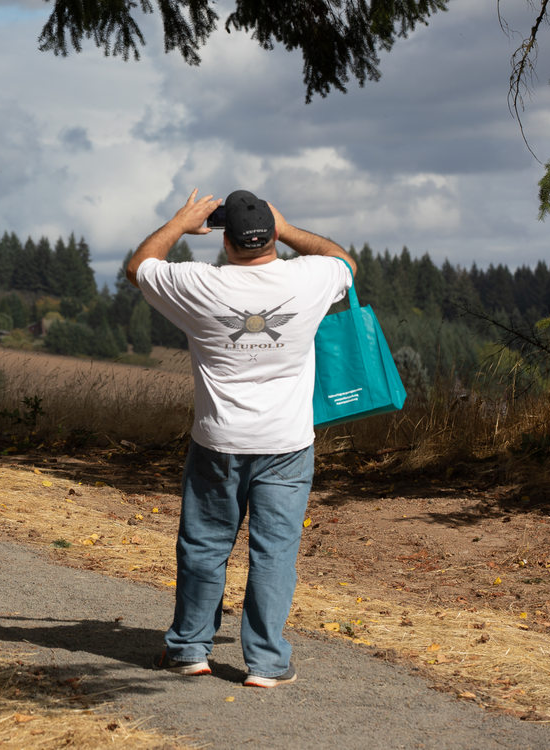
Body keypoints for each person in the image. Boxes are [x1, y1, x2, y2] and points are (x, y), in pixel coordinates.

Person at [126, 188, 356, 688]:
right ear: (271, 235)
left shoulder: (198, 284)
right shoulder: (310, 278)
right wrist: (289, 227)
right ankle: (267, 663)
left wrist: (180, 222)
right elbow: (344, 262)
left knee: (205, 547)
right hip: (286, 444)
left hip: (218, 440)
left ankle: (189, 649)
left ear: (225, 242)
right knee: (274, 553)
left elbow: (139, 266)